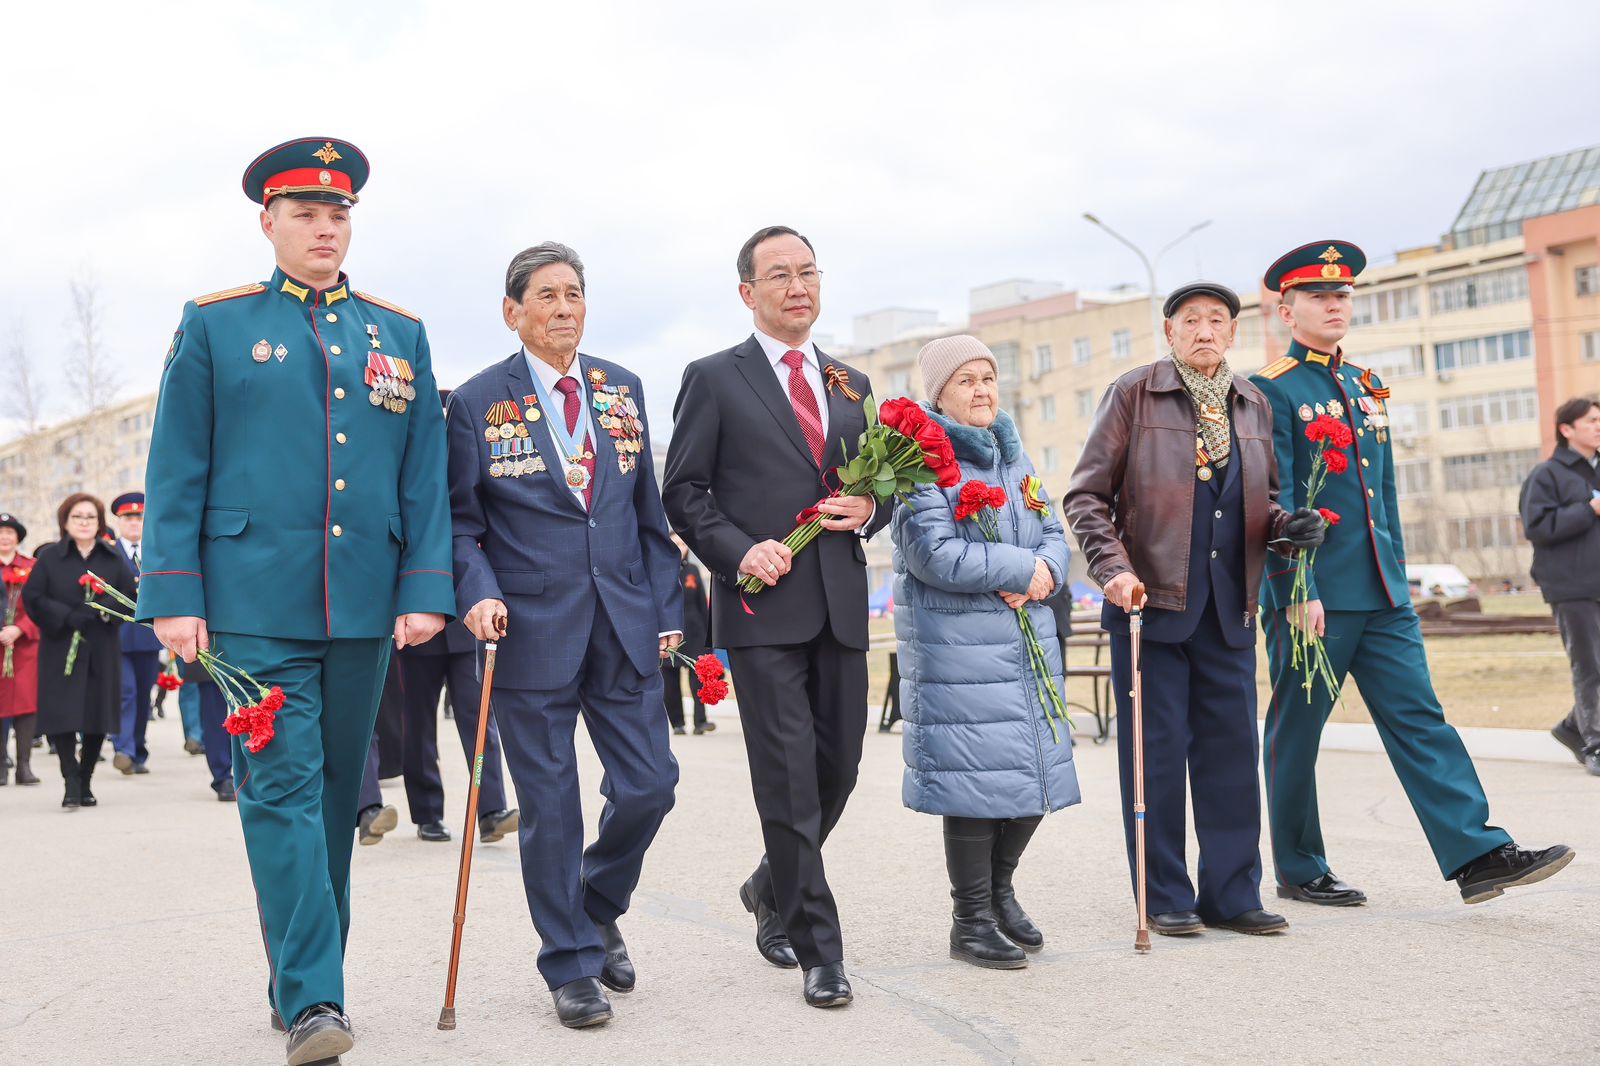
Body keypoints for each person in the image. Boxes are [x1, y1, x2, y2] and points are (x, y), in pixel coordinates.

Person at [137, 137, 454, 1066]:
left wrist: (424, 585)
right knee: (277, 791)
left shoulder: (399, 332)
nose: (325, 228)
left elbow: (424, 474)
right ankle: (319, 999)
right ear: (267, 222)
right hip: (247, 606)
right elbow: (175, 467)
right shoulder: (215, 323)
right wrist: (172, 594)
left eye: (339, 213)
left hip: (363, 605)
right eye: (306, 213)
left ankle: (298, 982)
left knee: (327, 802)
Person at [1251, 240, 1573, 907]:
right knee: (1297, 730)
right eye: (1319, 296)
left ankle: (1478, 854)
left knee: (1421, 717)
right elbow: (1272, 499)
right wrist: (1294, 589)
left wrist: (1396, 576)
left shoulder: (1368, 386)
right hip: (1315, 596)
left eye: (1343, 296)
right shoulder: (1271, 389)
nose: (1335, 306)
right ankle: (1299, 865)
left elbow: (1384, 495)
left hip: (1382, 591)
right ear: (1288, 309)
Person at [448, 241, 682, 1030]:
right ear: (513, 312)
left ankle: (597, 901)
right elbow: (461, 526)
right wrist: (476, 596)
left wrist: (668, 610)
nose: (563, 308)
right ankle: (571, 963)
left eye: (574, 293)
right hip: (530, 630)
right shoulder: (478, 402)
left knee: (651, 785)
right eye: (545, 295)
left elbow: (647, 516)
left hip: (623, 622)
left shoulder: (624, 389)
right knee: (551, 805)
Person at [663, 224, 885, 1008]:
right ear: (747, 292)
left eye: (809, 272)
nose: (799, 286)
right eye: (780, 275)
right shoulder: (714, 378)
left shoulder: (852, 383)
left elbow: (880, 487)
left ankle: (768, 884)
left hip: (841, 607)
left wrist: (868, 508)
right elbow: (684, 493)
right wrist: (739, 551)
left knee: (842, 771)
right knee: (789, 782)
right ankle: (818, 945)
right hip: (761, 611)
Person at [1065, 281, 1326, 936]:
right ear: (1169, 330)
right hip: (1151, 610)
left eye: (1218, 320)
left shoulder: (1253, 404)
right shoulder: (1135, 394)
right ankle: (1166, 897)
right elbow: (1086, 498)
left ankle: (1234, 894)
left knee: (1232, 756)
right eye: (1191, 320)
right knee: (1155, 759)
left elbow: (1255, 504)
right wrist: (1114, 570)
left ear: (1234, 333)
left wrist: (1287, 530)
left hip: (1231, 610)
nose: (1205, 330)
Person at [892, 336, 1078, 969]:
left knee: (1034, 774)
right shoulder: (919, 460)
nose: (981, 390)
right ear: (939, 394)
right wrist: (1021, 568)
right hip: (961, 652)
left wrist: (1044, 571)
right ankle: (969, 919)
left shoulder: (1014, 458)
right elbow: (932, 553)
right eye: (965, 380)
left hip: (1025, 642)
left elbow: (1053, 531)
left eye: (987, 379)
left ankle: (1000, 893)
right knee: (976, 785)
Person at [22, 494, 137, 809]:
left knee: (96, 714)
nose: (84, 522)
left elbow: (130, 594)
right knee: (62, 715)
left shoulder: (113, 557)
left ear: (99, 522)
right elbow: (33, 597)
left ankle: (86, 779)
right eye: (77, 517)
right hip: (61, 645)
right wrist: (66, 615)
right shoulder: (50, 557)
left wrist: (102, 610)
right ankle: (70, 779)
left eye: (90, 517)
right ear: (65, 522)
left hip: (102, 644)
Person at [1519, 396, 1600, 775]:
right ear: (1567, 429)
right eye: (1591, 421)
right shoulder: (1547, 475)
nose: (1598, 426)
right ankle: (1595, 744)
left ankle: (1572, 726)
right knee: (1590, 665)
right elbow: (1537, 528)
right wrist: (1589, 509)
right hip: (1573, 586)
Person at [395, 617, 520, 841]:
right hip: (418, 629)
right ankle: (427, 812)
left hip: (465, 628)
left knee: (479, 717)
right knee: (418, 725)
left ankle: (491, 810)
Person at [109, 492, 164, 777]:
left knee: (143, 694)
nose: (134, 522)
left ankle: (138, 750)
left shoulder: (156, 551)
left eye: (139, 517)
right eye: (128, 517)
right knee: (126, 692)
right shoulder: (108, 552)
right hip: (116, 636)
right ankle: (124, 749)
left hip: (148, 636)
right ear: (118, 521)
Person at [0, 513, 41, 786]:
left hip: (25, 647)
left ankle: (23, 765)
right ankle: (1, 764)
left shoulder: (32, 567)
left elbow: (41, 603)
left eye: (10, 532)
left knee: (26, 705)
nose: (5, 537)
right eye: (1, 532)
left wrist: (20, 629)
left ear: (18, 537)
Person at [662, 532, 714, 736]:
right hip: (669, 636)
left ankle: (700, 721)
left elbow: (703, 605)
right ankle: (677, 723)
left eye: (683, 544)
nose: (680, 548)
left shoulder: (693, 570)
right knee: (671, 683)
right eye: (675, 544)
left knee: (698, 680)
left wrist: (708, 640)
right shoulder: (660, 572)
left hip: (695, 635)